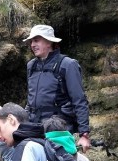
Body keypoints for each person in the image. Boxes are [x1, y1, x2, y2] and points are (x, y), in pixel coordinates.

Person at [24, 24, 91, 153]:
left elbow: (79, 100)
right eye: (31, 41)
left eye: (36, 40)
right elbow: (30, 100)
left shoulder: (67, 65)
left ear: (49, 42)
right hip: (35, 127)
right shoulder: (31, 66)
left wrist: (84, 134)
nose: (32, 44)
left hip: (58, 129)